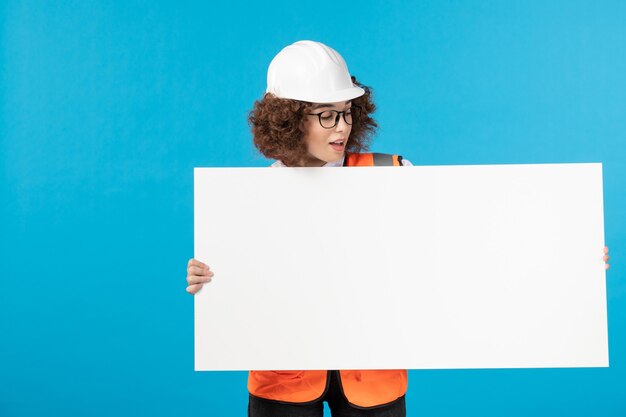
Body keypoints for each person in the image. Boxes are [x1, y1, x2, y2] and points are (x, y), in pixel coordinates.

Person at [185, 40, 611, 417]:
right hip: (283, 379)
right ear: (290, 119)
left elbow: (467, 245)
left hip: (373, 380)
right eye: (326, 116)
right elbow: (246, 288)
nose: (343, 127)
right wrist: (210, 279)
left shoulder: (392, 174)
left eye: (347, 113)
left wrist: (568, 255)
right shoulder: (249, 200)